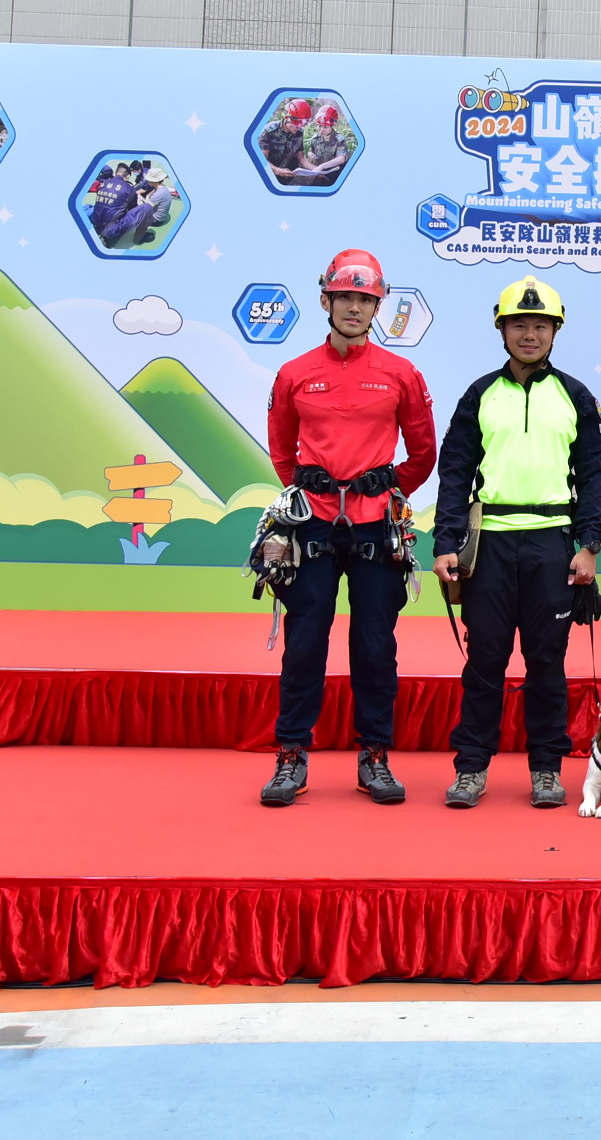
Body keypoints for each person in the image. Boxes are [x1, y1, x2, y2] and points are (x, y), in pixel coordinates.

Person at [260, 250, 437, 807]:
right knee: (305, 643)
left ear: (377, 305)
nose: (355, 308)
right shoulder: (295, 373)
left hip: (374, 529)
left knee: (375, 646)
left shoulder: (400, 373)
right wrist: (314, 493)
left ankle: (375, 758)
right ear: (326, 301)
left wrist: (381, 490)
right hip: (310, 526)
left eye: (365, 299)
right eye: (345, 297)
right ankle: (291, 757)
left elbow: (423, 452)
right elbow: (281, 450)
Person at [434, 277, 601, 810]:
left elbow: (595, 474)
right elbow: (455, 471)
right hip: (489, 547)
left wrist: (589, 544)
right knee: (484, 661)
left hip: (553, 547)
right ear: (502, 329)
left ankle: (546, 770)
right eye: (518, 324)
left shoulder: (576, 395)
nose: (529, 334)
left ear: (555, 331)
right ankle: (470, 770)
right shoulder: (479, 394)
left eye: (540, 325)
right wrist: (446, 541)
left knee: (547, 664)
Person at [88, 165, 159, 248]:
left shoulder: (103, 184)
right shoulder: (129, 189)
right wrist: (139, 200)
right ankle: (139, 237)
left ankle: (100, 235)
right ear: (128, 176)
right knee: (147, 207)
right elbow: (133, 209)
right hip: (111, 231)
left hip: (95, 226)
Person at [260, 98, 312, 184]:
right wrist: (277, 170)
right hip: (271, 175)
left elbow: (302, 159)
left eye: (301, 125)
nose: (298, 128)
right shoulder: (269, 131)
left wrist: (317, 170)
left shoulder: (299, 133)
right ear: (288, 118)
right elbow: (262, 160)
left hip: (292, 174)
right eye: (296, 124)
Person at [303, 105, 351, 185]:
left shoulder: (339, 140)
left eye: (325, 127)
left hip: (336, 176)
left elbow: (341, 159)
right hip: (319, 174)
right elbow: (312, 153)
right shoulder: (315, 139)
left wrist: (322, 166)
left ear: (333, 126)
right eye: (320, 126)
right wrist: (311, 155)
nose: (321, 130)